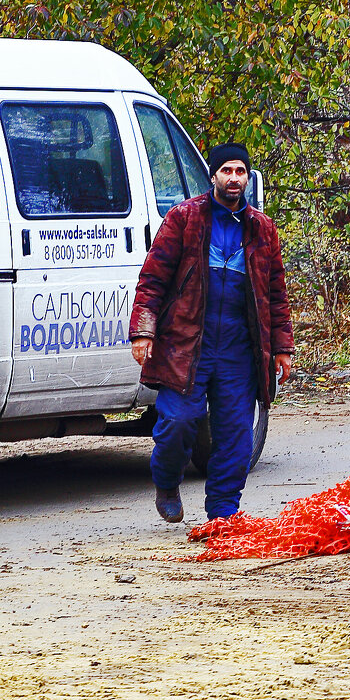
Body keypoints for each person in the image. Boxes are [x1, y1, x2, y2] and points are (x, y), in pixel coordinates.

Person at [130, 143, 294, 524]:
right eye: (227, 171)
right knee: (178, 422)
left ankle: (222, 514)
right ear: (213, 175)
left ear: (248, 177)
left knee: (236, 438)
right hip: (187, 345)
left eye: (240, 171)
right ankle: (167, 481)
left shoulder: (263, 229)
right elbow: (152, 279)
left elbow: (275, 292)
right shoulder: (184, 219)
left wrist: (282, 347)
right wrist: (144, 331)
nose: (234, 178)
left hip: (239, 350)